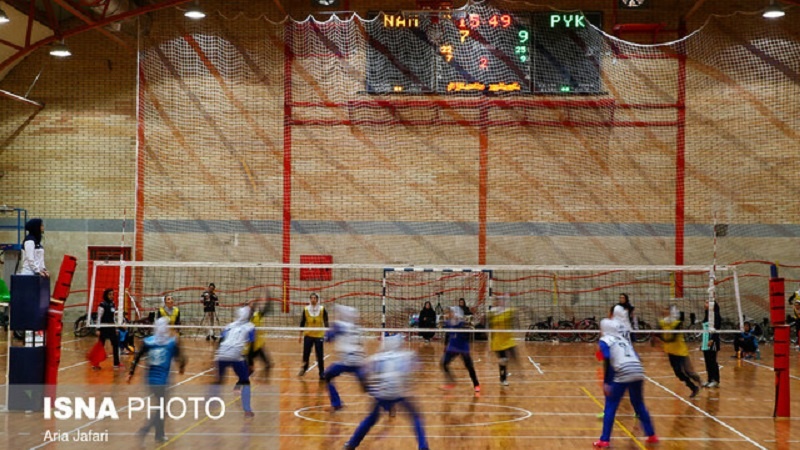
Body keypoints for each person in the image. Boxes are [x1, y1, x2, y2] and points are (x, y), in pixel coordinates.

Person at [343, 334, 429, 450]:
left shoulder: (376, 358)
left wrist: (368, 388)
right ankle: (423, 447)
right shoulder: (407, 355)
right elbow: (419, 368)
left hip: (381, 394)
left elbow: (363, 374)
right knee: (416, 417)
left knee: (371, 419)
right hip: (399, 393)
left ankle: (351, 444)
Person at [593, 318, 658, 448]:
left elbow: (606, 358)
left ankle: (604, 440)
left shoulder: (605, 340)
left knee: (611, 405)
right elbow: (637, 357)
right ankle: (651, 435)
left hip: (623, 371)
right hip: (638, 369)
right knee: (639, 403)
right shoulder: (624, 340)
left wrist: (607, 382)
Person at [127, 317, 187, 443]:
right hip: (163, 382)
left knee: (160, 408)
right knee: (161, 410)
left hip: (150, 380)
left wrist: (131, 373)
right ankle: (144, 431)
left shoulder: (148, 341)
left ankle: (159, 435)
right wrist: (181, 367)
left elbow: (137, 357)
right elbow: (181, 359)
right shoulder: (171, 343)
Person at [214, 306, 256, 418]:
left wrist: (216, 358)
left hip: (221, 354)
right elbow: (251, 347)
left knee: (219, 380)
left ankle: (211, 403)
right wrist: (251, 363)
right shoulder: (251, 327)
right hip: (235, 354)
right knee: (245, 381)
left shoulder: (229, 325)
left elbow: (220, 341)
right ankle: (247, 410)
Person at [323, 305, 365, 411]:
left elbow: (328, 338)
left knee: (327, 376)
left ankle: (336, 404)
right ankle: (387, 404)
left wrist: (327, 334)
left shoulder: (340, 325)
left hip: (346, 361)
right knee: (368, 387)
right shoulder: (357, 328)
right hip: (359, 360)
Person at [655, 305, 701, 398]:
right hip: (670, 351)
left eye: (666, 309)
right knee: (678, 373)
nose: (664, 310)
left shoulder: (677, 323)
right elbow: (658, 329)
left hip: (680, 351)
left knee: (687, 372)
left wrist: (661, 338)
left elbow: (671, 338)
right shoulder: (663, 322)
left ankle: (698, 382)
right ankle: (694, 387)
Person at [441, 306, 480, 393]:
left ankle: (476, 384)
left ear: (456, 313)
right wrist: (445, 345)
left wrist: (465, 328)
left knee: (469, 366)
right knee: (443, 363)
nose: (449, 314)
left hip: (462, 347)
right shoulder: (447, 323)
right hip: (452, 347)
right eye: (449, 312)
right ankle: (451, 382)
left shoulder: (462, 324)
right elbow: (447, 334)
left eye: (451, 312)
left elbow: (468, 335)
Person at [488, 295, 517, 386]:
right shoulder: (492, 313)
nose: (499, 302)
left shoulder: (507, 311)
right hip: (497, 341)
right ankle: (503, 378)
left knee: (507, 359)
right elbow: (490, 325)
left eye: (501, 301)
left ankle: (504, 372)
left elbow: (513, 311)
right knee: (503, 359)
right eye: (497, 301)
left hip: (507, 340)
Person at [298, 293, 329, 379]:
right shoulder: (306, 309)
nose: (313, 299)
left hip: (319, 335)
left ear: (317, 300)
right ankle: (304, 368)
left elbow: (326, 321)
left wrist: (327, 333)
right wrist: (300, 335)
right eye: (311, 298)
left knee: (319, 354)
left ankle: (322, 372)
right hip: (308, 335)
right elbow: (302, 322)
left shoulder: (322, 309)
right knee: (306, 354)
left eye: (314, 298)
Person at [94, 288, 122, 370]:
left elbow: (113, 317)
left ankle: (116, 363)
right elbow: (99, 317)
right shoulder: (102, 305)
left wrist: (116, 328)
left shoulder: (113, 304)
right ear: (106, 295)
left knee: (116, 344)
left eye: (112, 294)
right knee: (100, 346)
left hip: (111, 327)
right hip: (103, 328)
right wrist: (98, 329)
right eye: (110, 294)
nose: (112, 296)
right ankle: (96, 364)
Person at [247, 300, 273, 376]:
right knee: (250, 353)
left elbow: (266, 309)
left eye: (251, 304)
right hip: (249, 338)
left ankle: (265, 364)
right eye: (249, 304)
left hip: (257, 338)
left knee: (255, 351)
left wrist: (268, 298)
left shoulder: (258, 314)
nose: (250, 305)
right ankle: (252, 368)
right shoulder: (246, 316)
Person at [701, 299, 722, 388]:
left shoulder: (716, 316)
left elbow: (716, 329)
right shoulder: (707, 315)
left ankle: (716, 380)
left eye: (706, 302)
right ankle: (709, 379)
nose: (704, 304)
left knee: (712, 361)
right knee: (707, 361)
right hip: (705, 341)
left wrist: (712, 340)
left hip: (713, 341)